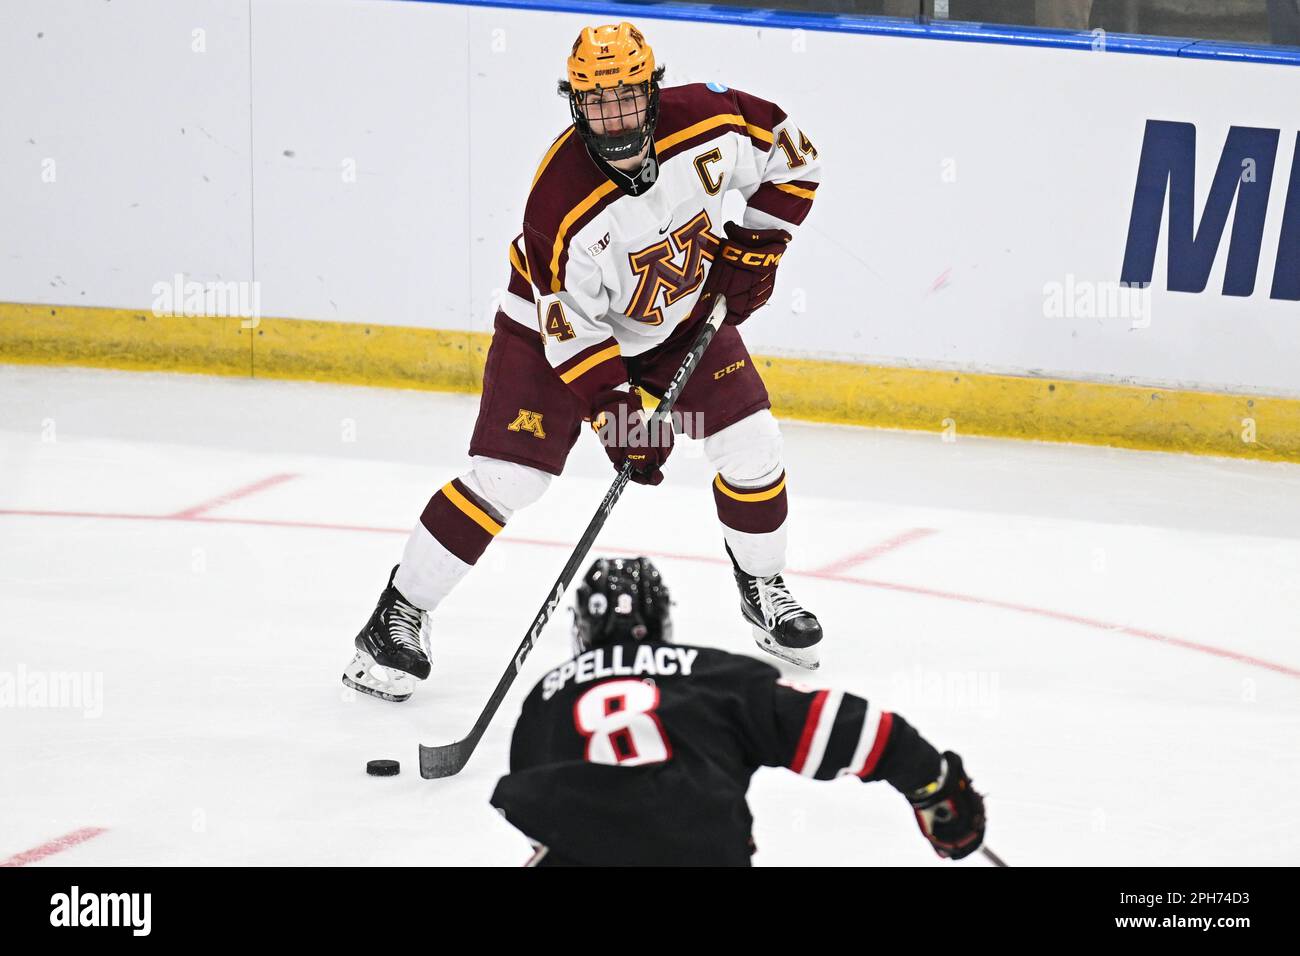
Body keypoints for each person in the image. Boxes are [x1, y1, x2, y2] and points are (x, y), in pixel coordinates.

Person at [343, 21, 826, 702]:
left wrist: (760, 245)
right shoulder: (558, 203)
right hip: (553, 335)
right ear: (576, 103)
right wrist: (621, 419)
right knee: (510, 478)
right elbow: (575, 336)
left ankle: (763, 587)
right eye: (596, 102)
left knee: (753, 445)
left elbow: (794, 151)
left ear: (654, 91)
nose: (614, 116)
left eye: (628, 96)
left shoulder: (712, 119)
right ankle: (397, 615)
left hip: (681, 316)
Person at [491, 557, 987, 866]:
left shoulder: (546, 699)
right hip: (701, 849)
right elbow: (841, 724)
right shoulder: (712, 675)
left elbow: (540, 807)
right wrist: (934, 786)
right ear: (663, 619)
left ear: (581, 629)